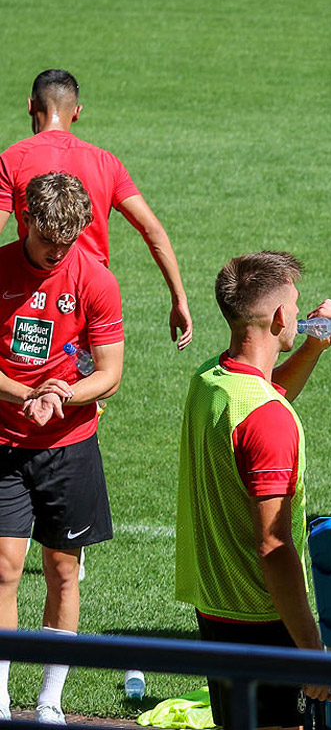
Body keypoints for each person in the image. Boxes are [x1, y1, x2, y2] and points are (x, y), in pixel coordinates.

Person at [174, 251, 331, 729]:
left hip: (215, 607)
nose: (298, 313)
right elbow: (273, 545)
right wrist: (312, 650)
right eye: (295, 307)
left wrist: (312, 348)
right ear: (277, 318)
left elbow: (267, 399)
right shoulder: (266, 420)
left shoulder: (210, 379)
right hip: (263, 619)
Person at [0, 173, 123, 724]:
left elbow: (112, 373)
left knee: (62, 571)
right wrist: (28, 394)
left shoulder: (95, 280)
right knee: (3, 569)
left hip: (69, 444)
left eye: (67, 241)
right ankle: (0, 695)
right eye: (48, 239)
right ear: (25, 222)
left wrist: (64, 393)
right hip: (4, 440)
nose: (57, 252)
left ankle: (50, 700)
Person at [0, 70, 192, 349]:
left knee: (26, 383)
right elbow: (152, 230)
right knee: (86, 384)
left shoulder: (13, 159)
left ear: (31, 106)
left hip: (35, 300)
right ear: (76, 112)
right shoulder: (105, 162)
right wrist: (179, 299)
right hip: (90, 298)